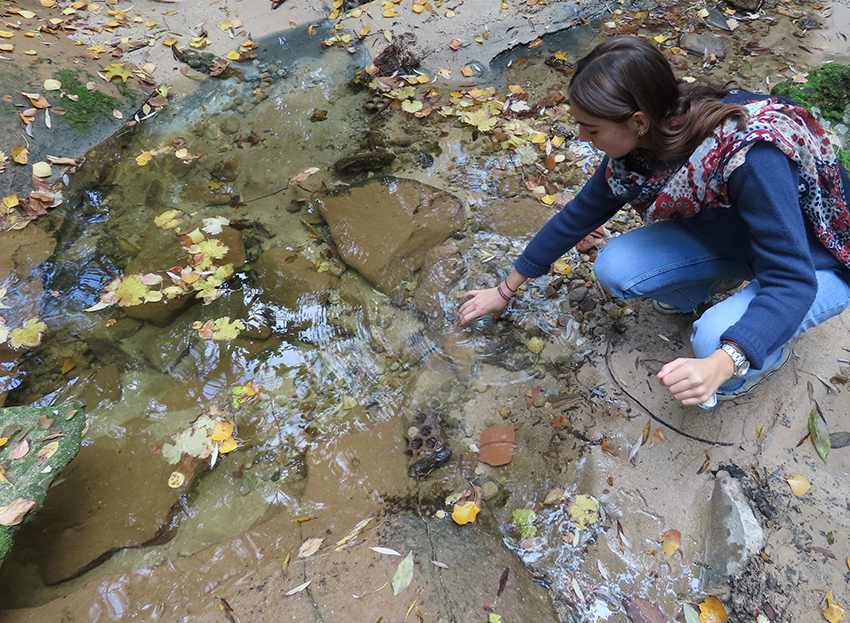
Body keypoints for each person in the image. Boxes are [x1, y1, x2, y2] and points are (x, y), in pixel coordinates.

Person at [458, 35, 850, 408]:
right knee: (615, 266)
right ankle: (709, 289)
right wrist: (506, 289)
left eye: (591, 129)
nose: (581, 137)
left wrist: (723, 362)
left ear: (638, 121)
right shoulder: (642, 147)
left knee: (714, 339)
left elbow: (793, 280)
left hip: (819, 261)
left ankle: (763, 360)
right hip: (742, 239)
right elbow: (579, 214)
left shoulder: (750, 156)